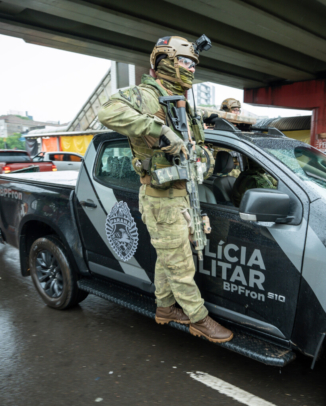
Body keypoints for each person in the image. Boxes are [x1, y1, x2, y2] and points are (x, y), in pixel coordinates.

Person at [98, 35, 233, 343]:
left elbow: (196, 143)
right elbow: (107, 112)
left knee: (169, 257)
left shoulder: (185, 102)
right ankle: (198, 318)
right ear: (164, 63)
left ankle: (165, 307)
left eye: (193, 64)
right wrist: (159, 130)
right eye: (184, 62)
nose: (190, 69)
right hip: (161, 198)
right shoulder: (146, 96)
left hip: (182, 193)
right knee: (181, 264)